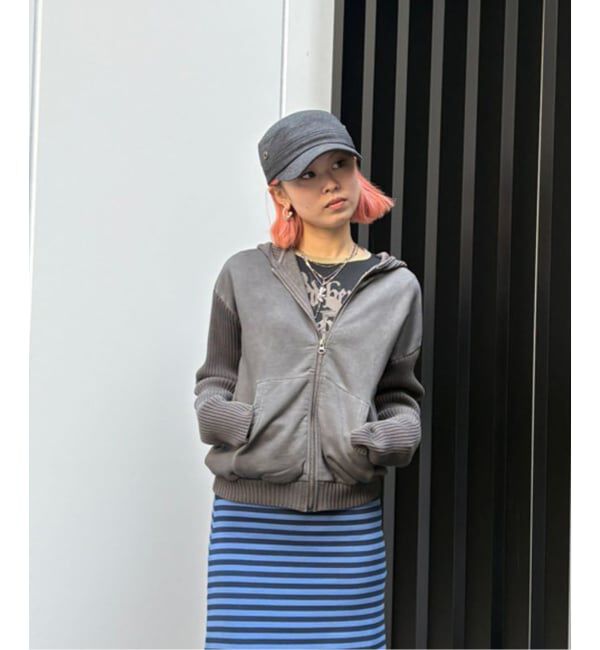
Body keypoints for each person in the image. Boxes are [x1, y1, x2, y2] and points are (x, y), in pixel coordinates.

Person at [195, 109, 425, 649]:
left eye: (340, 165)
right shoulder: (243, 275)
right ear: (280, 194)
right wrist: (232, 421)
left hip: (346, 522)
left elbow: (399, 393)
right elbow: (215, 379)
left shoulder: (396, 287)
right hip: (251, 522)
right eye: (308, 175)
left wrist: (393, 434)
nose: (330, 184)